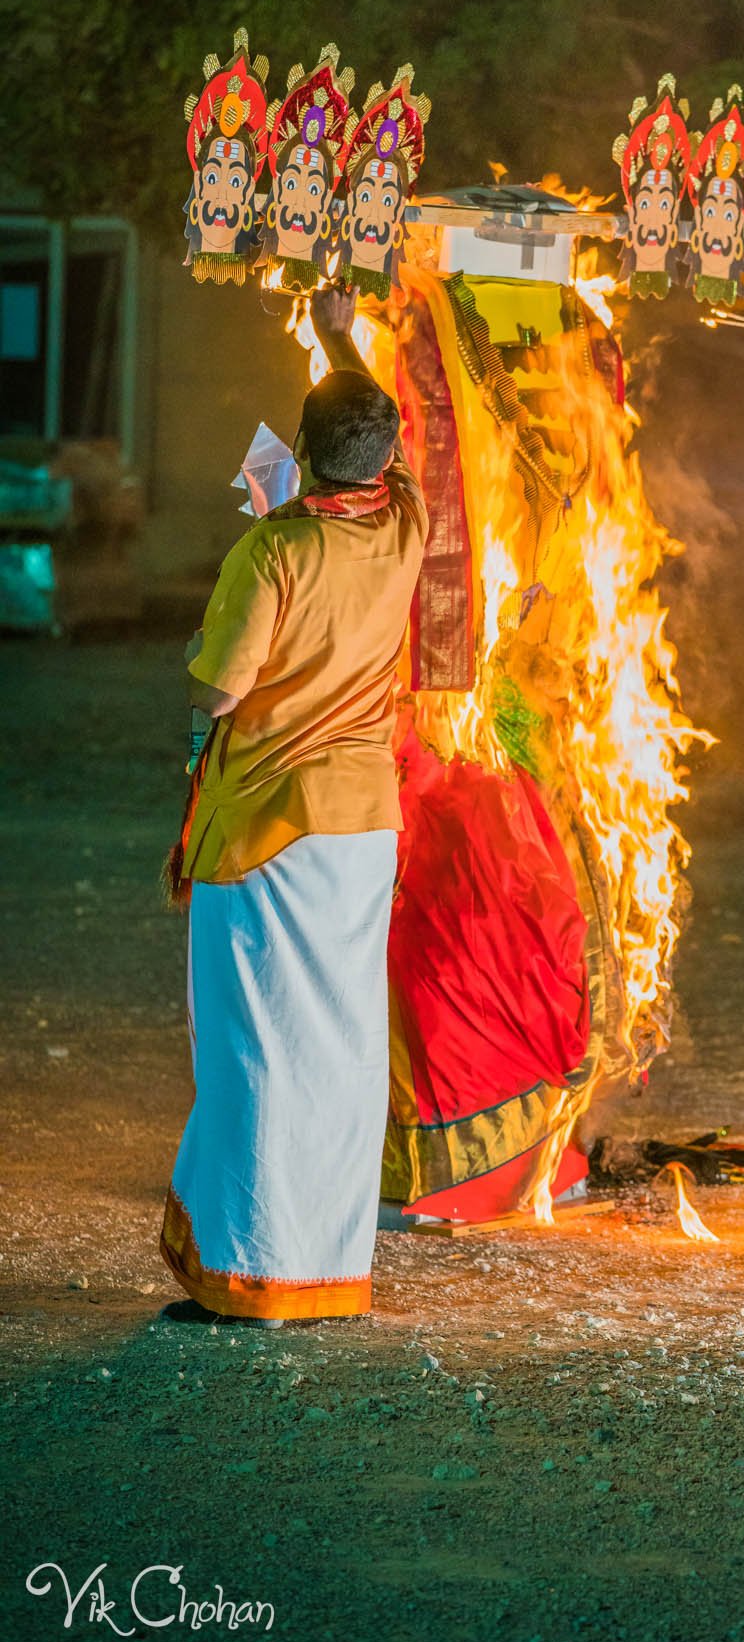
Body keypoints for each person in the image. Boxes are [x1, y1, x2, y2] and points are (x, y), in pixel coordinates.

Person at [160, 283, 428, 1322]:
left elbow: (216, 690)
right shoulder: (405, 522)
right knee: (343, 1045)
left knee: (255, 1039)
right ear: (382, 457)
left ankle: (252, 1271)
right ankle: (328, 1265)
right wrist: (334, 333)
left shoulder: (270, 549)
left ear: (304, 454)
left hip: (271, 821)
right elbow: (379, 433)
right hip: (364, 825)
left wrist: (195, 751)